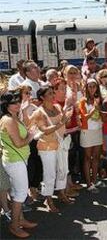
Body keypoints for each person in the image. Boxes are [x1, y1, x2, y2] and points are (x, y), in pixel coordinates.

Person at [0, 90, 38, 238]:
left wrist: (28, 132)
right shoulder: (8, 120)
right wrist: (30, 136)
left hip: (17, 159)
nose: (17, 104)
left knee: (17, 192)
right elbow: (18, 143)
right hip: (15, 161)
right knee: (20, 194)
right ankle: (14, 226)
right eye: (13, 102)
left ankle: (20, 220)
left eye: (18, 101)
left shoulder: (13, 117)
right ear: (6, 105)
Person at [33, 86, 73, 212]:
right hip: (47, 146)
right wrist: (62, 122)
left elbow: (63, 122)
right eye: (50, 93)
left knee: (63, 169)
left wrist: (66, 118)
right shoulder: (39, 112)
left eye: (52, 92)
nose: (53, 95)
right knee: (49, 173)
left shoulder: (57, 107)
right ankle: (48, 199)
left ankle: (61, 193)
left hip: (61, 143)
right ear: (42, 97)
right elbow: (44, 130)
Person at [79, 79, 103, 193]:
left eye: (94, 86)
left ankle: (94, 180)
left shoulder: (99, 100)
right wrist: (94, 109)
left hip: (98, 130)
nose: (92, 88)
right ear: (86, 88)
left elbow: (103, 116)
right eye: (90, 86)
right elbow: (84, 117)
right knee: (88, 158)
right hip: (87, 132)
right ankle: (88, 183)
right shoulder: (83, 101)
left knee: (96, 157)